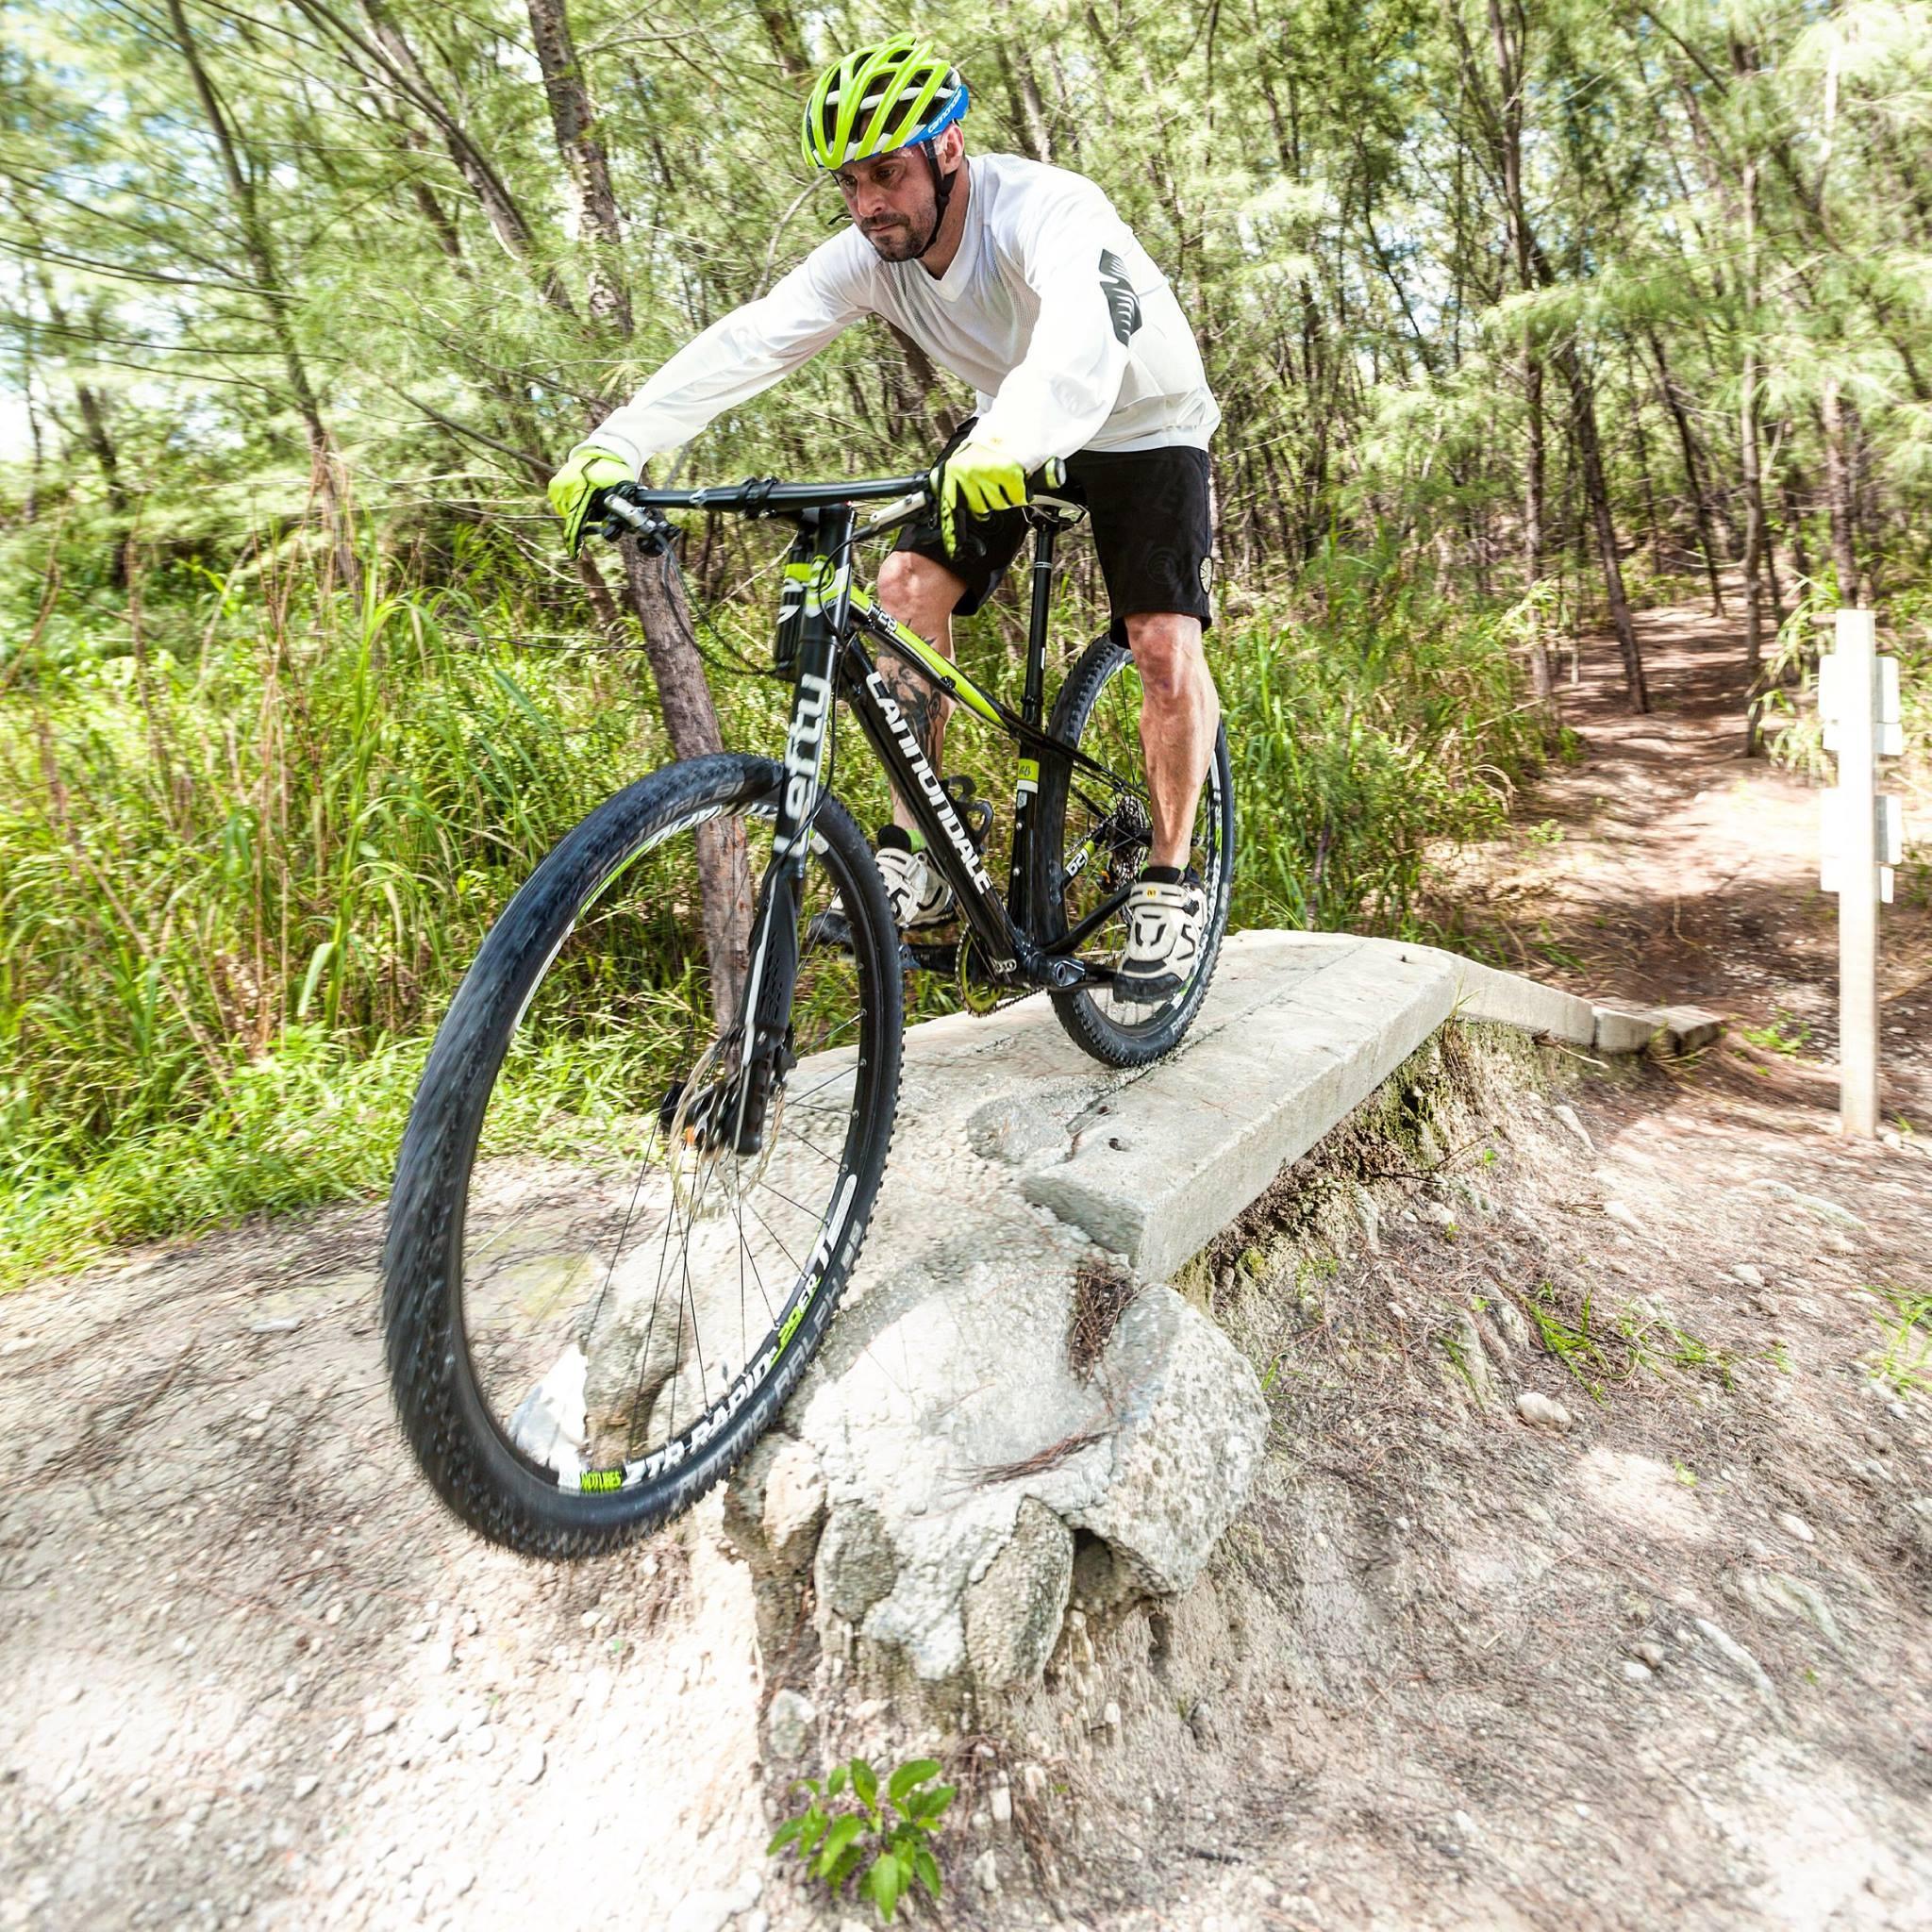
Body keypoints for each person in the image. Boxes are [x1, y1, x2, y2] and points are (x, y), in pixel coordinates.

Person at [549, 34, 1222, 1004]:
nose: (868, 202)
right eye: (848, 182)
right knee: (904, 587)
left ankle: (1168, 875)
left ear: (947, 151)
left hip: (1142, 421)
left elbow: (1085, 326)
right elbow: (753, 337)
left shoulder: (1047, 206)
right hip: (1008, 424)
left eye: (886, 174)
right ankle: (924, 836)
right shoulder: (871, 255)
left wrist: (1015, 438)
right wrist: (617, 444)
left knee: (1161, 643)